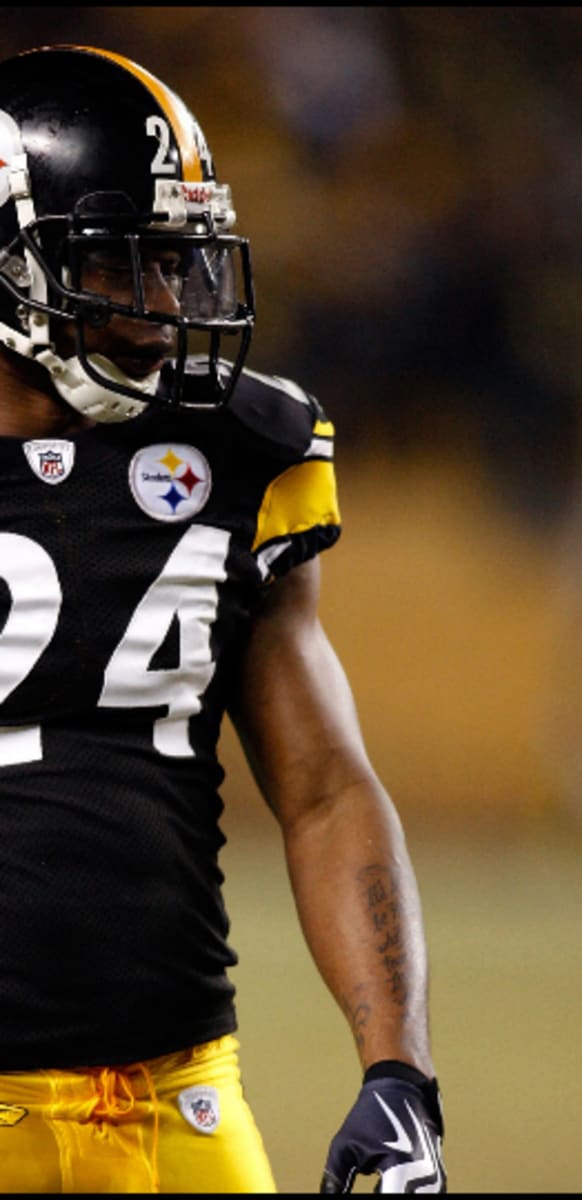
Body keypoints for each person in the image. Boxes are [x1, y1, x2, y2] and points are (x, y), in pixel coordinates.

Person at [0, 44, 446, 1193]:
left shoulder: (243, 447)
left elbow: (326, 788)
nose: (160, 306)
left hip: (177, 1096)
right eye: (115, 260)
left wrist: (398, 1074)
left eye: (174, 260)